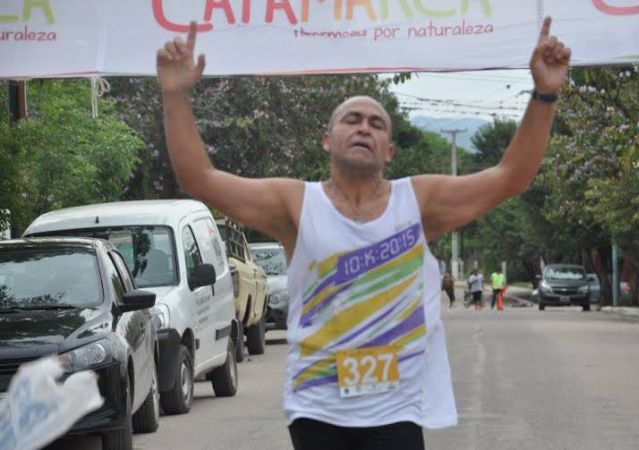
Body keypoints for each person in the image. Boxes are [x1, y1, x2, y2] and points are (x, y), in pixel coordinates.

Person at [155, 17, 570, 450]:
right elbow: (199, 177)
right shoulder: (294, 204)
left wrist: (545, 94)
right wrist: (174, 94)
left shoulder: (420, 202)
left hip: (398, 408)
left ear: (389, 150)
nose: (364, 127)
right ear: (327, 141)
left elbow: (511, 177)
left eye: (376, 123)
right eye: (352, 119)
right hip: (317, 406)